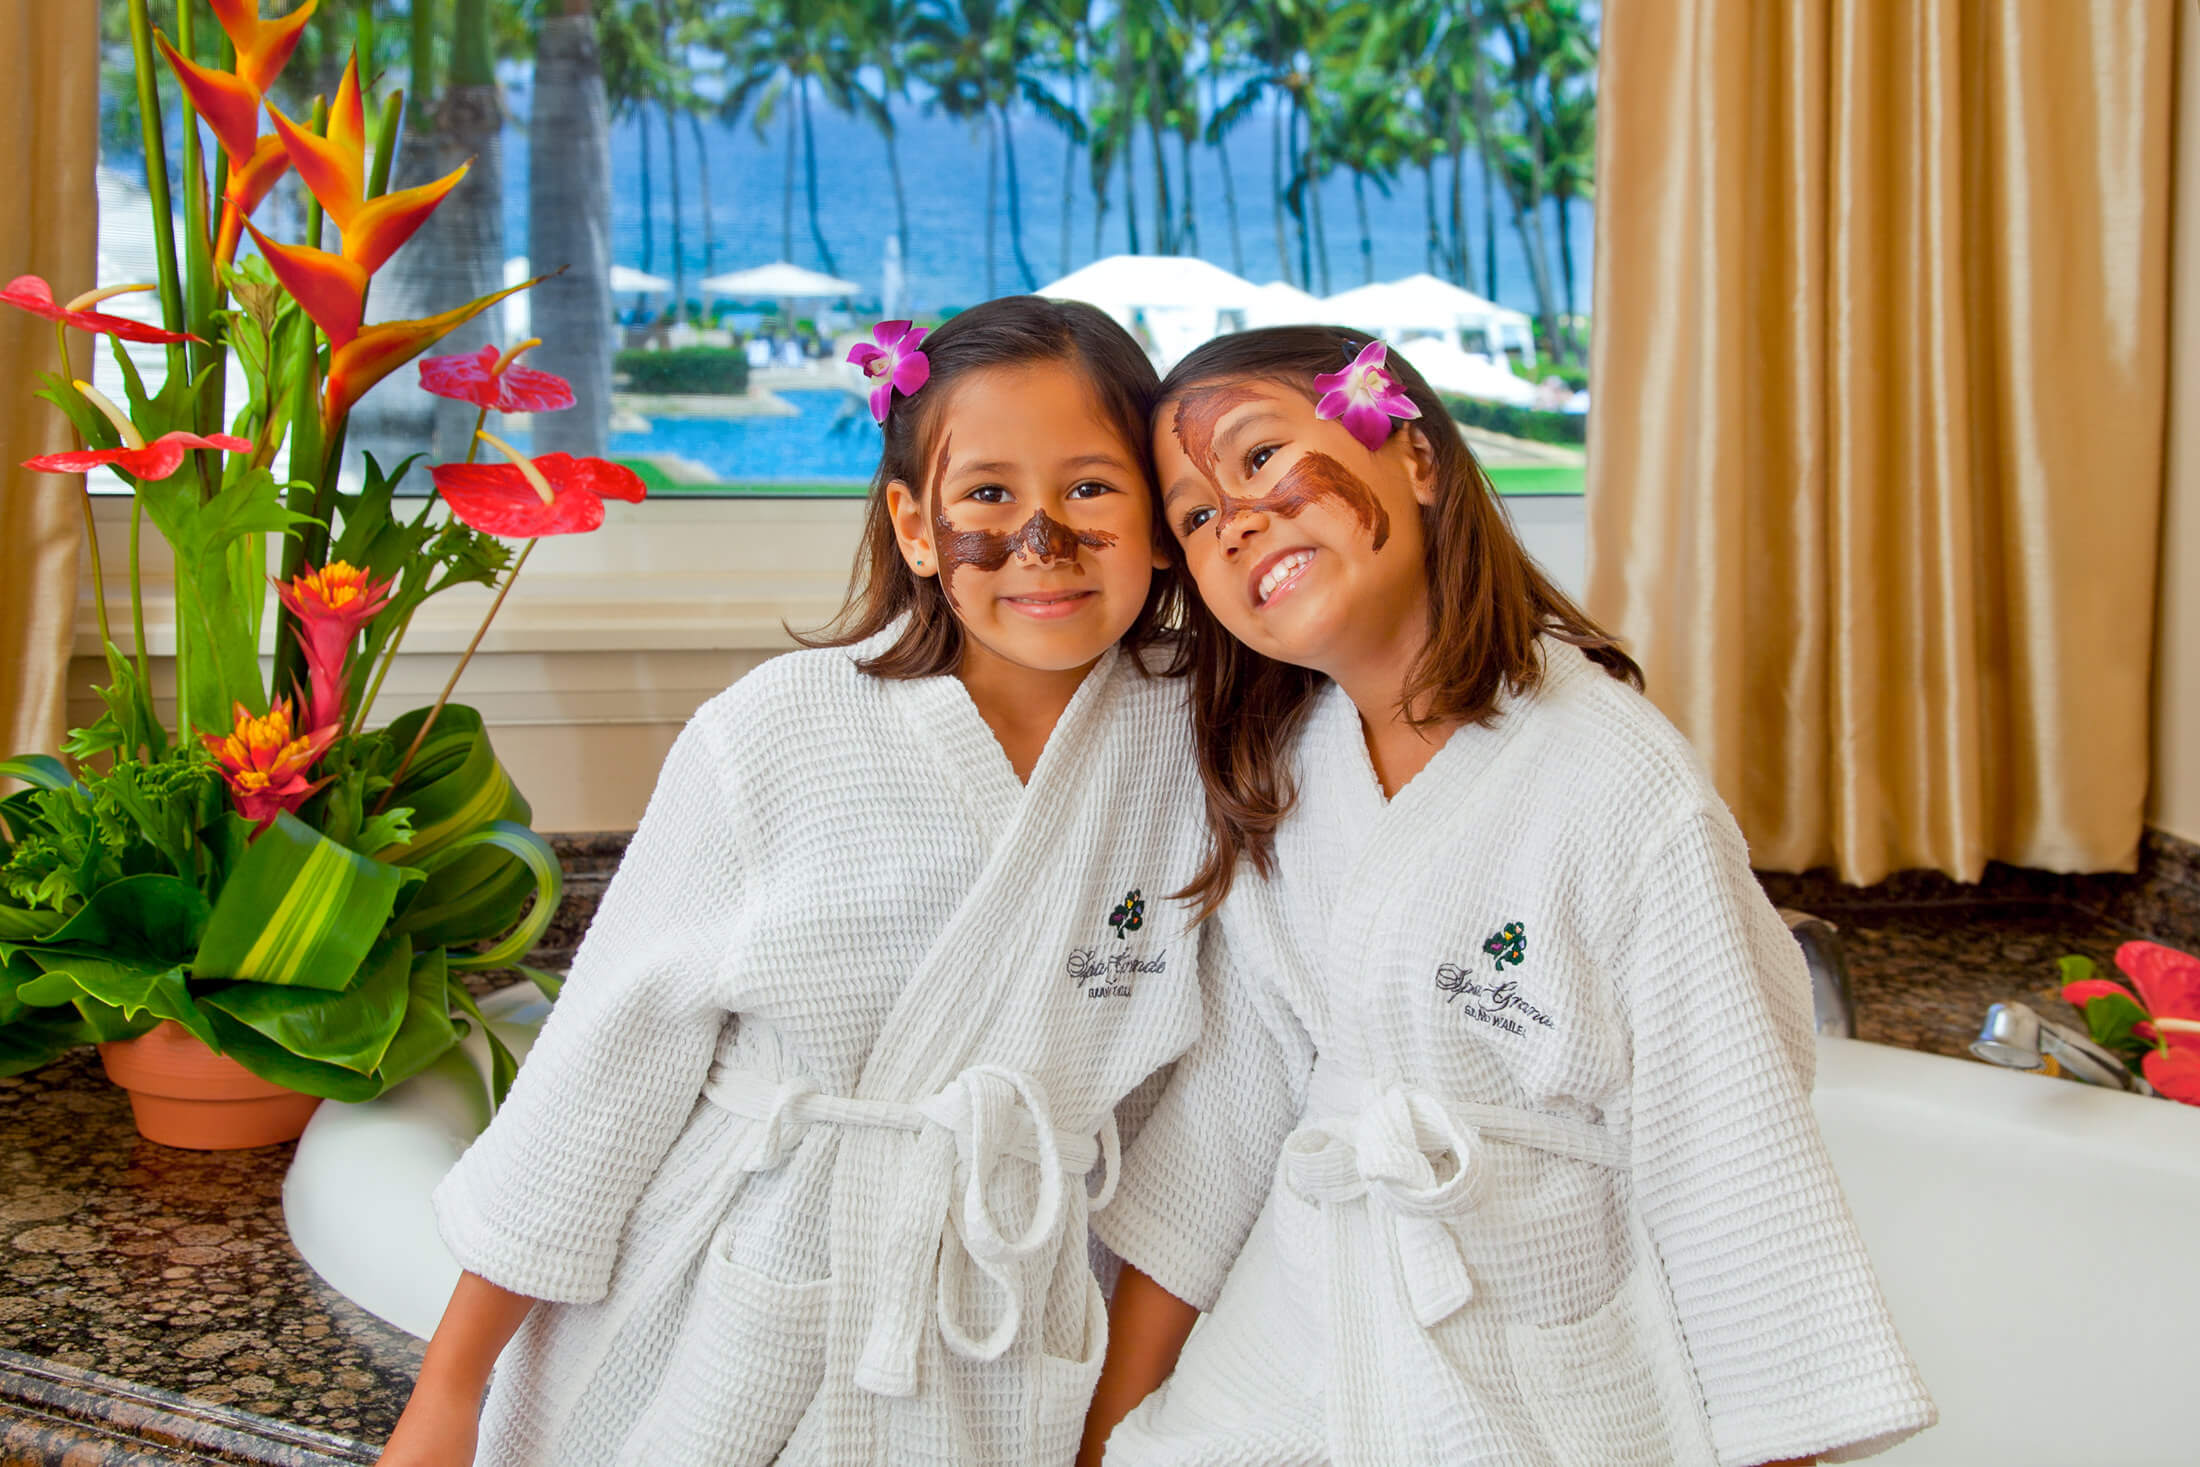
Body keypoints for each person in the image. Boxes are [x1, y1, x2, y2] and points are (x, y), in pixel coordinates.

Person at [378, 296, 1215, 1467]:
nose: (1041, 541)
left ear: (1164, 520)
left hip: (1017, 1316)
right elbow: (600, 1076)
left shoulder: (1206, 751)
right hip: (753, 1290)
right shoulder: (776, 735)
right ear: (915, 527)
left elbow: (1203, 1114)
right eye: (986, 495)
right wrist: (450, 1393)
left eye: (1090, 488)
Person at [1079, 326, 1937, 1467]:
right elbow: (1224, 1130)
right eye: (1191, 517)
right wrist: (1101, 1438)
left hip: (1525, 1384)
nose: (1231, 520)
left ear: (1418, 460)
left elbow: (1731, 1175)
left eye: (1260, 457)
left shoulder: (1620, 786)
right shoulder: (1285, 774)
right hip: (1298, 1346)